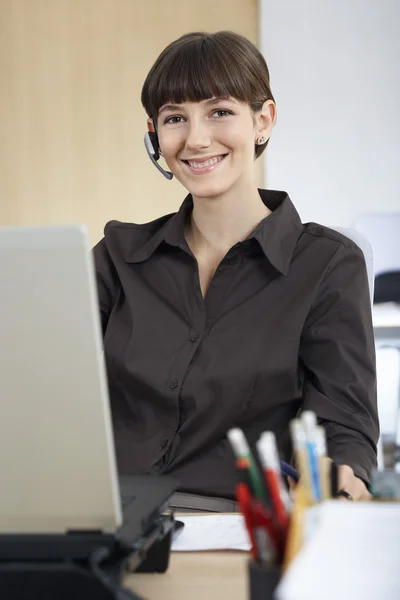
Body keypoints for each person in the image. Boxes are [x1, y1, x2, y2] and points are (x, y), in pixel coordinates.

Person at [93, 31, 379, 510]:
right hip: (110, 522)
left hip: (244, 529)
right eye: (174, 118)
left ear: (262, 120)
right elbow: (51, 390)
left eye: (219, 111)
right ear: (154, 134)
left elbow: (343, 424)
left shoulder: (327, 265)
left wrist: (341, 482)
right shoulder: (117, 256)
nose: (197, 138)